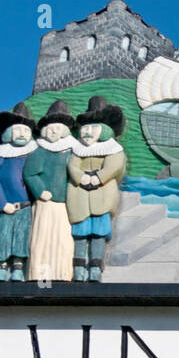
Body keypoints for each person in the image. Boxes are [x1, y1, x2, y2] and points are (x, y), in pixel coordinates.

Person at [66, 96, 127, 282]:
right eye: (85, 127)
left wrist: (99, 177)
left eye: (93, 128)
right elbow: (72, 165)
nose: (87, 132)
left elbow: (114, 166)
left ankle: (95, 265)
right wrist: (81, 176)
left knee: (99, 231)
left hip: (102, 194)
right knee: (80, 232)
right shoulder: (78, 149)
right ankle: (78, 267)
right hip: (80, 194)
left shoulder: (113, 148)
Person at [23, 100, 77, 281]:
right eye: (51, 128)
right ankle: (39, 275)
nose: (54, 132)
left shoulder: (71, 151)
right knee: (42, 240)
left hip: (64, 204)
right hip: (45, 204)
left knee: (63, 240)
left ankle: (62, 273)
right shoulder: (40, 151)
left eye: (58, 128)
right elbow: (30, 174)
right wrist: (40, 191)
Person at [0, 102, 36, 281]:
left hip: (26, 206)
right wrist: (1, 203)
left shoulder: (33, 153)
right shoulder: (0, 155)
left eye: (26, 131)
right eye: (18, 130)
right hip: (6, 206)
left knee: (22, 236)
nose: (22, 134)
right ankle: (1, 265)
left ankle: (18, 267)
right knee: (2, 234)